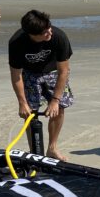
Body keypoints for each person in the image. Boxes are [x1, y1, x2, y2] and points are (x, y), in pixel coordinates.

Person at [8, 10, 74, 161]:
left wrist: (55, 101)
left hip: (53, 72)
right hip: (29, 73)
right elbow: (16, 75)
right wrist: (22, 103)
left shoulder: (59, 36)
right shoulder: (16, 43)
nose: (49, 32)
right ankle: (35, 151)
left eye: (49, 27)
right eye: (45, 32)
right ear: (32, 34)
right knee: (29, 113)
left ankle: (52, 148)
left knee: (60, 108)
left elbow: (63, 71)